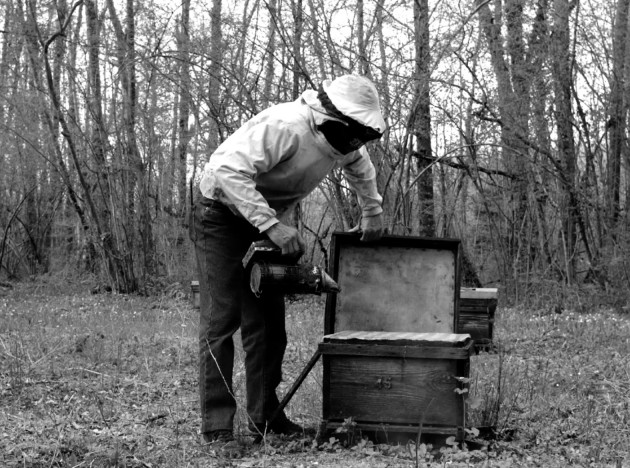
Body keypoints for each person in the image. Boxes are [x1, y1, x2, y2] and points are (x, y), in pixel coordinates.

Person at [189, 74, 387, 448]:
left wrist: (372, 210)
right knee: (222, 319)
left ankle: (264, 417)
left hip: (266, 219)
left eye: (362, 135)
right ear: (333, 118)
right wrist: (272, 225)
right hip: (221, 214)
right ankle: (217, 427)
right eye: (354, 133)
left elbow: (360, 166)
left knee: (267, 325)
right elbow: (226, 169)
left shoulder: (343, 137)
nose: (356, 143)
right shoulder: (285, 125)